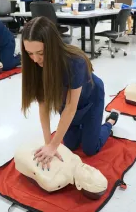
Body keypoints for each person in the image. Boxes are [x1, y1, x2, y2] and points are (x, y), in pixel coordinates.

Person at [20, 16, 120, 169]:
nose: (35, 59)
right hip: (67, 103)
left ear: (52, 46)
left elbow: (71, 106)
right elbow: (43, 105)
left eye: (40, 53)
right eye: (30, 53)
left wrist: (54, 146)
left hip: (90, 100)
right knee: (70, 145)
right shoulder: (35, 64)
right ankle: (84, 128)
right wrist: (48, 143)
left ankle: (110, 122)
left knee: (90, 149)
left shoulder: (75, 61)